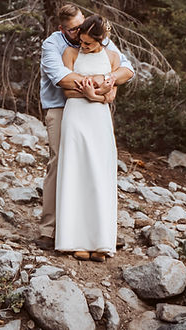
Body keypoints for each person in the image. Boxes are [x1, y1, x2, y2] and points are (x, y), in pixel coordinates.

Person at [38, 4, 134, 249]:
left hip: (94, 112)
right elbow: (61, 78)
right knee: (60, 163)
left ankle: (97, 230)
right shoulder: (53, 45)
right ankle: (50, 230)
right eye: (73, 30)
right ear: (62, 29)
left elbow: (126, 68)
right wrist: (100, 85)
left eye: (81, 26)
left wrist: (108, 83)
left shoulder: (93, 35)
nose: (79, 33)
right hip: (61, 110)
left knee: (96, 166)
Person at [54, 14, 123, 261]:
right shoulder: (71, 55)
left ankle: (100, 241)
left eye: (89, 44)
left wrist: (95, 95)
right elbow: (66, 88)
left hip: (99, 117)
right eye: (81, 41)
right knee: (75, 172)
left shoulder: (113, 57)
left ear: (102, 40)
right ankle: (74, 240)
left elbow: (111, 93)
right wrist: (97, 88)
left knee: (99, 174)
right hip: (76, 117)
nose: (83, 47)